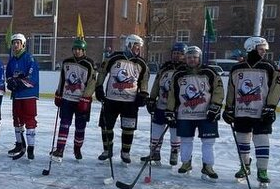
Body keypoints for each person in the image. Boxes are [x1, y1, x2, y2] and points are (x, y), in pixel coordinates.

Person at [223, 36, 280, 184]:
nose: (263, 52)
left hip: (261, 112)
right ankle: (244, 166)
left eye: (265, 49)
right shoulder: (237, 68)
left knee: (262, 140)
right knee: (242, 140)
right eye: (261, 49)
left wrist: (271, 106)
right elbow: (231, 89)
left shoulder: (270, 66)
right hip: (241, 111)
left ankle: (262, 170)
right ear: (251, 48)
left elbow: (276, 88)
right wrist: (229, 108)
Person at [164, 45, 224, 178]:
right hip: (185, 114)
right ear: (185, 58)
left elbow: (218, 91)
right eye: (189, 57)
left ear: (200, 58)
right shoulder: (179, 74)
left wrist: (215, 106)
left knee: (208, 142)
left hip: (206, 114)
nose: (192, 60)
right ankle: (186, 163)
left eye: (195, 57)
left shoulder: (210, 72)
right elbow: (173, 94)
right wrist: (169, 110)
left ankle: (208, 166)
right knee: (186, 140)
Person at [96, 34, 150, 164]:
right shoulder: (114, 57)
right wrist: (99, 87)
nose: (138, 49)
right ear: (129, 44)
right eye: (136, 46)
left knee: (128, 128)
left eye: (139, 47)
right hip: (111, 100)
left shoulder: (141, 63)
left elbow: (144, 80)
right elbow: (102, 71)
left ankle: (125, 152)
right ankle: (107, 150)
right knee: (106, 126)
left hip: (130, 102)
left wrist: (143, 93)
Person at [51, 37, 96, 160]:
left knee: (80, 127)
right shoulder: (66, 62)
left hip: (82, 101)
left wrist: (86, 98)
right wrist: (59, 94)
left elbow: (92, 83)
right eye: (75, 49)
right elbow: (62, 79)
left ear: (84, 50)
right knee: (64, 124)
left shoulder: (89, 64)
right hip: (67, 99)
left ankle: (77, 148)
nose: (77, 51)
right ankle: (60, 149)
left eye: (80, 49)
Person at [143, 42, 185, 166]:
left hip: (177, 108)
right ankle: (154, 152)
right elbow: (157, 83)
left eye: (180, 54)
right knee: (156, 128)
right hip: (162, 103)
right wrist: (152, 98)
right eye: (175, 53)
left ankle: (174, 152)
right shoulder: (165, 67)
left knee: (175, 130)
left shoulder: (185, 69)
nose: (177, 56)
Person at [4, 33, 40, 159]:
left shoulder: (29, 58)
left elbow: (32, 78)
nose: (15, 45)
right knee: (17, 120)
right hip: (17, 95)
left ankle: (30, 148)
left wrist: (18, 82)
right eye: (14, 43)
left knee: (30, 120)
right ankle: (19, 144)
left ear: (23, 44)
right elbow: (8, 75)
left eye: (18, 42)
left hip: (28, 96)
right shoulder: (12, 60)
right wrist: (10, 82)